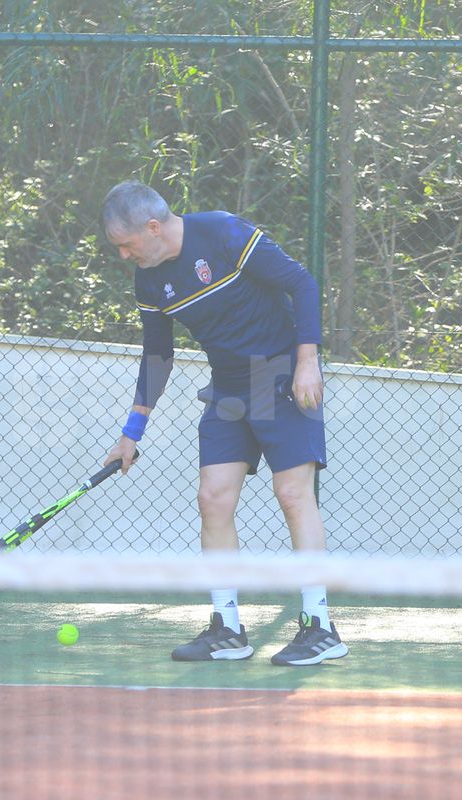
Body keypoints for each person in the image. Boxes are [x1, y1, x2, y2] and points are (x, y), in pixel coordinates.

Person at [100, 180, 348, 667]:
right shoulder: (149, 280)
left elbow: (301, 282)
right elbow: (158, 355)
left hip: (278, 372)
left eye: (127, 244)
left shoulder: (224, 234)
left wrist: (307, 361)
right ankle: (227, 628)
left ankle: (320, 626)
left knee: (294, 494)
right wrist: (131, 432)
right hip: (229, 387)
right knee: (212, 497)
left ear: (153, 227)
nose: (125, 255)